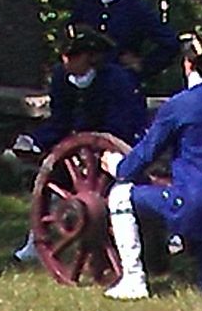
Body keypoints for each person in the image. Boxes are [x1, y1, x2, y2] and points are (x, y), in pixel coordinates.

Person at [98, 37, 202, 300]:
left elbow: (146, 153)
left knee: (120, 195)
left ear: (188, 64)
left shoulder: (180, 105)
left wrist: (119, 167)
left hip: (191, 203)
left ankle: (133, 280)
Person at [9, 27, 150, 263]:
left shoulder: (117, 80)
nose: (67, 63)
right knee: (49, 179)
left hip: (113, 147)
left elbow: (125, 123)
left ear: (92, 57)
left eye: (74, 57)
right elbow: (60, 120)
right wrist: (35, 141)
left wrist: (95, 152)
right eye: (65, 56)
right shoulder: (61, 78)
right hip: (73, 149)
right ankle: (36, 239)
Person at [69, 0, 176, 92]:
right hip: (84, 77)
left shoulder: (136, 7)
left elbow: (170, 43)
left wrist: (144, 65)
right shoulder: (85, 5)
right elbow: (71, 37)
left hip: (120, 79)